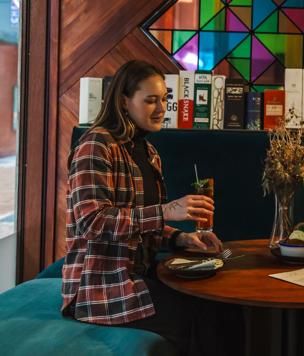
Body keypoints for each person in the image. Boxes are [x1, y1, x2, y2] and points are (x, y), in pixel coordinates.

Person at [61, 60, 243, 356]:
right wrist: (167, 211)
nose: (161, 108)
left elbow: (143, 225)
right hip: (103, 287)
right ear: (124, 101)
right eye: (150, 100)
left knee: (224, 308)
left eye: (165, 99)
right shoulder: (95, 145)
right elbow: (91, 222)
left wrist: (180, 239)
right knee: (202, 319)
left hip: (144, 277)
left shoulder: (149, 153)